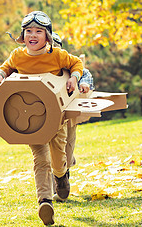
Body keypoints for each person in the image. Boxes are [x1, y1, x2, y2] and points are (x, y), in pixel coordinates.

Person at [0, 11, 84, 225]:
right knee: (40, 159)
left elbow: (77, 64)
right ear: (22, 35)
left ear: (48, 36)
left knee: (57, 159)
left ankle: (61, 175)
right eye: (28, 31)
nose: (32, 35)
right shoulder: (18, 55)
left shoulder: (56, 55)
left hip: (56, 115)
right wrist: (0, 76)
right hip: (31, 120)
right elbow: (5, 67)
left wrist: (74, 77)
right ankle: (45, 201)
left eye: (38, 31)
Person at [50, 33, 95, 202]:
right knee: (48, 154)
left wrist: (84, 83)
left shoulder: (67, 64)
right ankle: (55, 186)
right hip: (47, 117)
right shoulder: (37, 67)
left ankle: (65, 171)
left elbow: (85, 73)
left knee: (67, 150)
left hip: (68, 115)